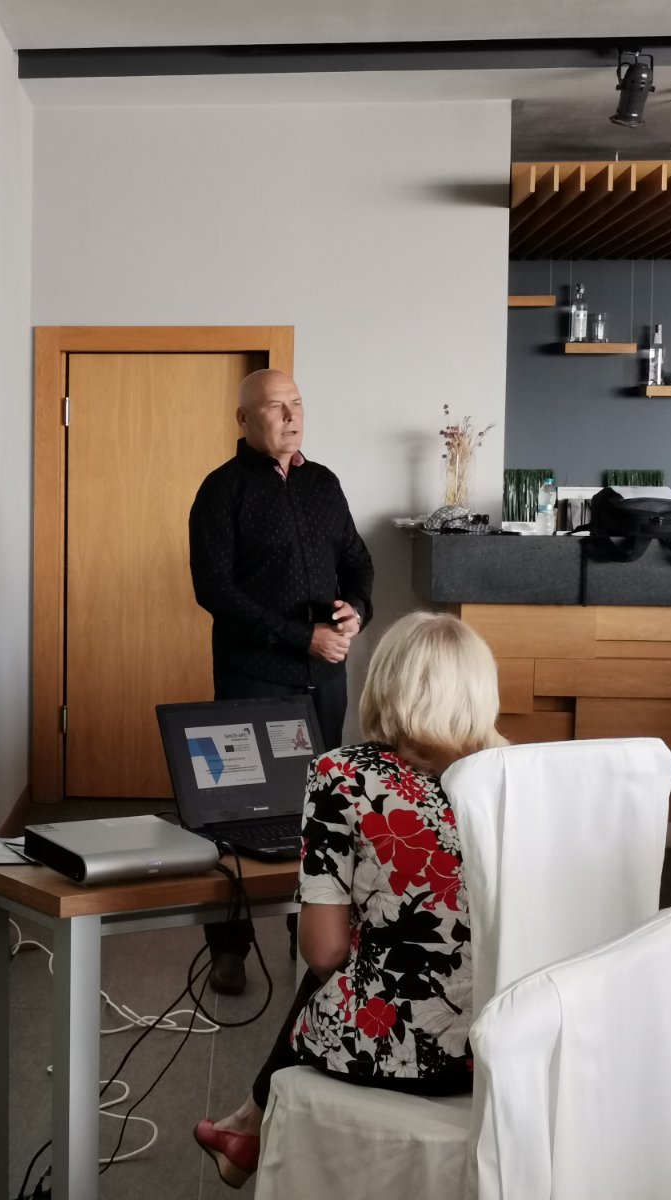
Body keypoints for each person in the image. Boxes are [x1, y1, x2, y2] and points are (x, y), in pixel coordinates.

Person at [192, 611, 505, 1189]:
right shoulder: (514, 777)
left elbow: (324, 953)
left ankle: (249, 1125)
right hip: (503, 1048)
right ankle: (248, 1125)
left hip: (389, 1051)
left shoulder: (343, 774)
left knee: (346, 958)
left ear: (385, 684)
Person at [188, 368, 374, 994]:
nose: (291, 417)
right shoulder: (222, 490)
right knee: (234, 814)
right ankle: (228, 947)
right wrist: (301, 636)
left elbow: (357, 560)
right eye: (275, 407)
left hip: (324, 679)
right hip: (253, 678)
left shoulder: (324, 483)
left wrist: (357, 610)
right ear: (244, 419)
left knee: (320, 810)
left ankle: (312, 934)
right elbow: (215, 590)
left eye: (297, 404)